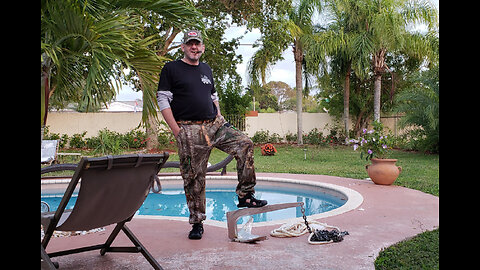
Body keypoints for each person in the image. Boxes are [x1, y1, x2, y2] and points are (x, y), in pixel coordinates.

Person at [156, 29, 267, 240]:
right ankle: (197, 222)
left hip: (215, 125)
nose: (194, 47)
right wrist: (177, 131)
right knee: (194, 177)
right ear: (183, 47)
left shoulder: (206, 69)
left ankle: (245, 195)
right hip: (189, 129)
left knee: (244, 143)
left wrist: (219, 115)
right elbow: (163, 100)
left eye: (197, 44)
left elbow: (213, 95)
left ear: (202, 47)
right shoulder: (171, 68)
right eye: (190, 44)